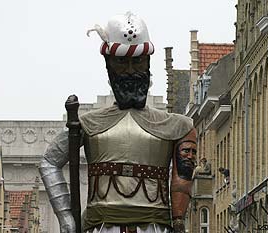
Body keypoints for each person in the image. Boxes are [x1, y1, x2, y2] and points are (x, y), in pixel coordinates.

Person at [39, 12, 197, 233]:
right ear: (109, 64)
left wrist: (179, 220)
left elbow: (183, 177)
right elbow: (50, 162)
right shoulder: (88, 124)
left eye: (138, 61)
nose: (131, 71)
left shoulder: (179, 127)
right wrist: (65, 216)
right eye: (122, 62)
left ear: (148, 61)